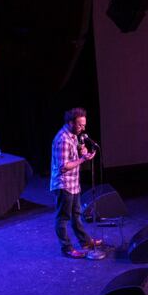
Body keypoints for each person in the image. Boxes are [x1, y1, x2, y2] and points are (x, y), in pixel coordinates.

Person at [50, 107, 102, 258]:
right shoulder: (62, 140)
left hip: (73, 183)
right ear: (70, 122)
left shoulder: (74, 135)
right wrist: (82, 159)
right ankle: (66, 248)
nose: (83, 128)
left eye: (84, 125)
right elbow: (63, 167)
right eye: (80, 125)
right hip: (63, 184)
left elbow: (77, 151)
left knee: (76, 215)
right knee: (63, 218)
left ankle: (85, 241)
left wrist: (84, 151)